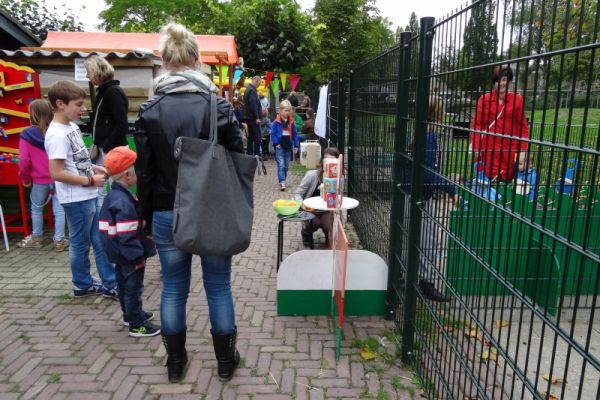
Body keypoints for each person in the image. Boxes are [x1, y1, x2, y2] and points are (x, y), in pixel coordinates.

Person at [135, 23, 244, 383]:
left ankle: (175, 362)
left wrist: (144, 216)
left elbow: (145, 172)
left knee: (173, 288)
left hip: (166, 211)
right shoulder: (218, 106)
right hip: (211, 210)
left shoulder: (149, 110)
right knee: (219, 286)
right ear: (197, 60)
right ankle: (225, 362)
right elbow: (238, 155)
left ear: (164, 62)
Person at [44, 80, 117, 299]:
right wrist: (90, 181)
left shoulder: (72, 127)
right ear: (60, 104)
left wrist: (96, 168)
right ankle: (82, 284)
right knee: (80, 243)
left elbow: (78, 160)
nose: (83, 109)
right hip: (76, 198)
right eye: (78, 104)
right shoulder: (56, 134)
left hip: (89, 194)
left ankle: (110, 282)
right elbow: (56, 173)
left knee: (100, 239)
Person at [99, 146, 160, 337]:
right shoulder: (123, 202)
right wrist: (137, 257)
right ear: (127, 175)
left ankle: (130, 314)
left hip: (118, 252)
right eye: (137, 169)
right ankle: (136, 324)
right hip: (129, 254)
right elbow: (126, 236)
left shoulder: (115, 195)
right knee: (133, 287)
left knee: (123, 283)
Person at [404, 96, 459, 302]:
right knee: (429, 241)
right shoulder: (427, 137)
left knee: (411, 238)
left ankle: (408, 279)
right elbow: (426, 172)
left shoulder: (418, 133)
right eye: (442, 111)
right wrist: (450, 189)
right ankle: (425, 283)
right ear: (437, 114)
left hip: (411, 193)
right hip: (419, 195)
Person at [17, 99, 68, 251]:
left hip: (39, 180)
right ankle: (59, 240)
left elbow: (24, 160)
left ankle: (37, 238)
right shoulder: (57, 131)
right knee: (59, 210)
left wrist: (25, 177)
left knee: (36, 208)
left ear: (32, 114)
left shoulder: (26, 134)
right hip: (59, 177)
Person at [84, 56, 129, 207]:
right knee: (100, 188)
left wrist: (107, 145)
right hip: (105, 148)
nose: (87, 76)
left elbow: (122, 124)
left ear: (97, 72)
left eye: (88, 72)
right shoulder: (105, 92)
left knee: (115, 186)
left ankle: (114, 216)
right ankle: (102, 216)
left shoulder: (112, 92)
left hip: (111, 149)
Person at [470, 65, 528, 182]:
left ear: (509, 81)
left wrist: (523, 151)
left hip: (508, 151)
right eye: (497, 80)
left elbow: (523, 127)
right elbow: (477, 125)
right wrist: (476, 146)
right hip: (487, 150)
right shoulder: (484, 99)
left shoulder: (517, 100)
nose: (501, 83)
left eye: (504, 80)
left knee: (506, 184)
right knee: (486, 184)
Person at [293, 147, 340, 248]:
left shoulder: (338, 178)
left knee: (328, 224)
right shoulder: (312, 175)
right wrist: (302, 205)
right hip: (311, 210)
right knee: (313, 223)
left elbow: (338, 198)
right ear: (322, 161)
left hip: (326, 210)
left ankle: (328, 235)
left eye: (333, 161)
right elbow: (297, 193)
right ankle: (306, 233)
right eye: (327, 160)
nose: (329, 164)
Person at [270, 99, 299, 191]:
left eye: (289, 111)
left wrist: (296, 145)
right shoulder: (276, 122)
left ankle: (283, 178)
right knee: (281, 164)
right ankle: (282, 181)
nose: (287, 112)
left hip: (288, 146)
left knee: (286, 165)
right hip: (279, 146)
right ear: (280, 110)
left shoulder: (291, 122)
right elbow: (273, 134)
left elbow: (295, 134)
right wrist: (276, 143)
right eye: (285, 110)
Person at [243, 76, 262, 156]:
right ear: (255, 81)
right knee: (257, 137)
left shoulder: (248, 89)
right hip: (253, 118)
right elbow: (253, 104)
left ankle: (250, 154)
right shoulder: (251, 90)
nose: (259, 85)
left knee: (251, 137)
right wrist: (257, 117)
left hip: (249, 117)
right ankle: (257, 154)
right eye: (259, 83)